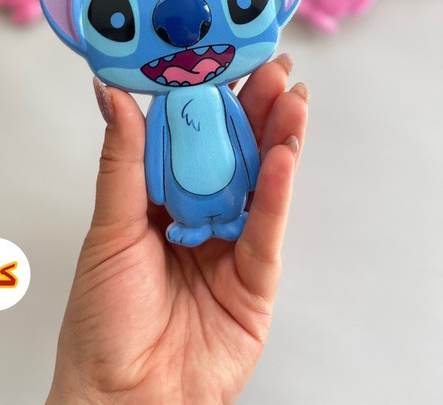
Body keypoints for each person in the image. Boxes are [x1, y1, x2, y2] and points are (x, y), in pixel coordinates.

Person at [46, 53, 308, 405]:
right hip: (184, 205)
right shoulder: (164, 104)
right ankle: (196, 224)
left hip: (229, 197)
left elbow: (241, 134)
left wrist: (249, 172)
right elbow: (158, 144)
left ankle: (226, 221)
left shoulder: (220, 97)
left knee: (262, 175)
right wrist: (156, 189)